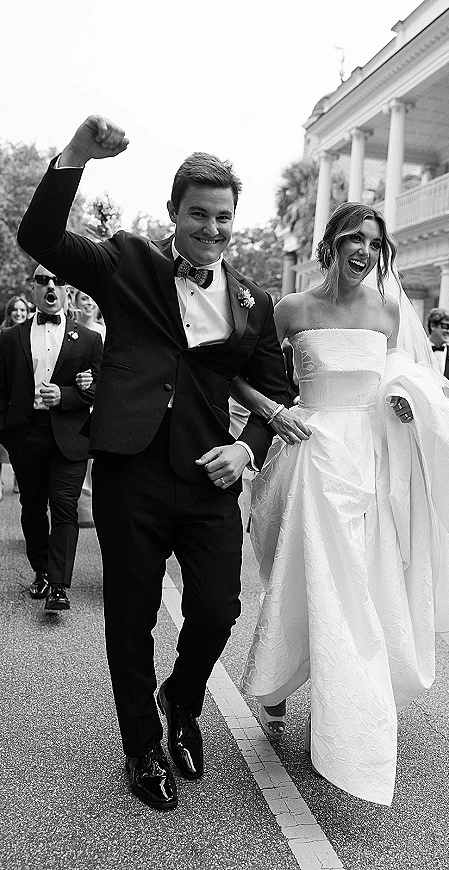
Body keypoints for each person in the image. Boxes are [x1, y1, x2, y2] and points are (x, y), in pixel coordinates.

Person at [18, 114, 290, 812]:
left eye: (224, 216)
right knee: (131, 616)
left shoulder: (252, 301)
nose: (213, 228)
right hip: (129, 470)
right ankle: (142, 745)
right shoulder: (128, 261)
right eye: (199, 214)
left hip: (207, 475)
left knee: (217, 608)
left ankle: (183, 699)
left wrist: (246, 450)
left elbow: (276, 397)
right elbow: (39, 238)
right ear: (175, 213)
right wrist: (77, 155)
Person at [236, 202, 449, 806]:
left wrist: (402, 398)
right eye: (353, 237)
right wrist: (275, 413)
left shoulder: (388, 310)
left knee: (358, 583)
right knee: (304, 575)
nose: (363, 249)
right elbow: (236, 373)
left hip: (372, 464)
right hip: (309, 457)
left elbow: (408, 377)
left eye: (374, 242)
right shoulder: (292, 309)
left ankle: (348, 706)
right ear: (331, 243)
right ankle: (282, 679)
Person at [0, 265, 102, 609]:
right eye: (43, 280)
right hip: (26, 436)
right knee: (32, 508)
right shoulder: (10, 338)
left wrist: (67, 395)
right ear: (33, 288)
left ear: (68, 291)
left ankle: (59, 584)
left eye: (59, 281)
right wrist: (7, 432)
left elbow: (100, 389)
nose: (51, 287)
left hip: (70, 436)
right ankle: (41, 572)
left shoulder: (89, 340)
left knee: (63, 506)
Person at [72, 289, 106, 527]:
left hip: (103, 400)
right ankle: (80, 507)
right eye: (84, 298)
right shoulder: (70, 331)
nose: (89, 303)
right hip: (77, 400)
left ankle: (97, 505)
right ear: (75, 300)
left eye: (93, 298)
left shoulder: (107, 331)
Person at [0, 295, 31, 498]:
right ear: (9, 312)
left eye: (22, 310)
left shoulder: (33, 334)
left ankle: (22, 479)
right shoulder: (3, 334)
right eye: (15, 310)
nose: (19, 313)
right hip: (5, 392)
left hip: (25, 393)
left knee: (25, 440)